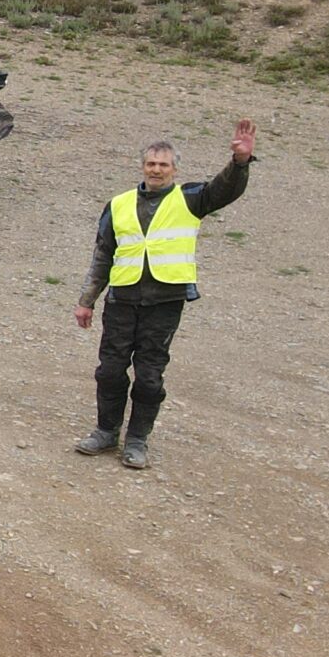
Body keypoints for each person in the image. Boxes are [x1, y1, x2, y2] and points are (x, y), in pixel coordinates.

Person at [71, 120, 254, 470]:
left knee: (150, 375)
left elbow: (224, 190)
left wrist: (240, 162)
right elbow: (102, 254)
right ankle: (106, 431)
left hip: (164, 302)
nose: (156, 170)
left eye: (163, 165)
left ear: (174, 169)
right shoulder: (119, 204)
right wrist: (86, 301)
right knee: (110, 370)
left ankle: (137, 440)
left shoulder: (190, 199)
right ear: (142, 166)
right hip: (121, 300)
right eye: (151, 164)